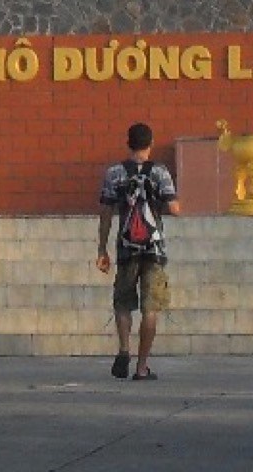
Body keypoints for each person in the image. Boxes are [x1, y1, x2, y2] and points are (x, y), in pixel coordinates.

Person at [95, 121, 179, 380]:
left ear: (128, 143)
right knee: (150, 309)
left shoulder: (115, 173)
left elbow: (106, 213)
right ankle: (142, 367)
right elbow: (174, 208)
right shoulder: (160, 173)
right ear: (150, 144)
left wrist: (102, 248)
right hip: (153, 249)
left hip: (126, 247)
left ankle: (123, 349)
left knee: (123, 302)